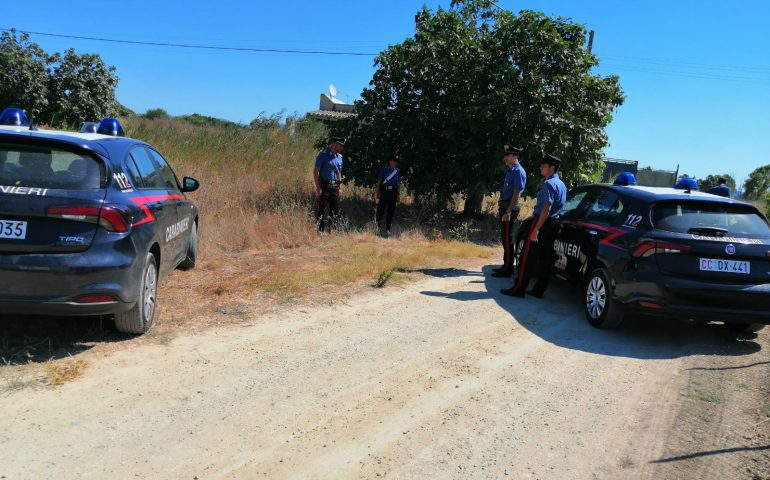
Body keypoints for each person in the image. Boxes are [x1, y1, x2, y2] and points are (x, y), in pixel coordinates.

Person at [501, 153, 566, 298]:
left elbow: (546, 208)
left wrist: (536, 229)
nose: (540, 167)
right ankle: (539, 290)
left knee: (527, 256)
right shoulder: (561, 184)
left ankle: (519, 288)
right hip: (554, 223)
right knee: (545, 258)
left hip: (542, 222)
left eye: (544, 165)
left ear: (552, 168)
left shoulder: (549, 184)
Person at [492, 145, 526, 278]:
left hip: (509, 208)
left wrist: (508, 211)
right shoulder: (511, 170)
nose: (505, 157)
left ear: (515, 156)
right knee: (505, 238)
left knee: (508, 238)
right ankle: (506, 264)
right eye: (505, 155)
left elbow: (516, 194)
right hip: (505, 206)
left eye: (508, 155)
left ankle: (508, 269)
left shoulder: (518, 171)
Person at [314, 137, 345, 232]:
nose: (341, 147)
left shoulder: (339, 157)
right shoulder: (323, 155)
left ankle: (333, 231)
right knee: (322, 210)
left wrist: (339, 187)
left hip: (335, 186)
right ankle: (320, 231)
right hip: (324, 185)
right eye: (340, 145)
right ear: (334, 144)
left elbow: (339, 172)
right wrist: (318, 187)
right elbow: (316, 172)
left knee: (335, 210)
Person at [376, 154, 402, 237]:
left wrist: (398, 194)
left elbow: (398, 183)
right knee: (381, 209)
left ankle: (387, 228)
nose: (395, 163)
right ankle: (377, 226)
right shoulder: (384, 169)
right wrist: (378, 192)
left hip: (393, 192)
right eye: (393, 161)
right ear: (390, 161)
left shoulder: (397, 171)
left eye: (396, 162)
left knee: (391, 210)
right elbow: (379, 181)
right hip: (384, 191)